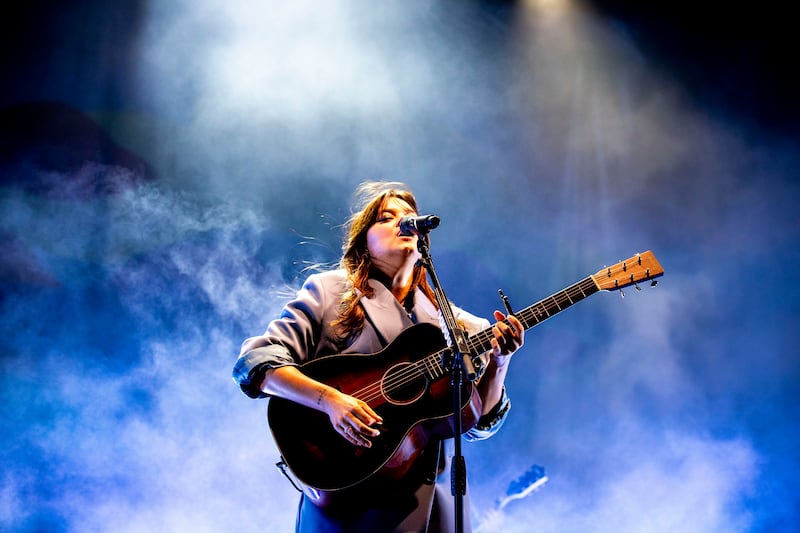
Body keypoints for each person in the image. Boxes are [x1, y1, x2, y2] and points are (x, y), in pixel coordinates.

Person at [232, 181, 524, 532]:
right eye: (387, 218)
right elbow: (257, 362)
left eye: (410, 216)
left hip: (432, 500)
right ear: (363, 243)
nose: (404, 222)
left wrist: (500, 362)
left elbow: (476, 421)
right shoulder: (329, 291)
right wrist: (330, 400)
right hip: (349, 494)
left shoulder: (453, 324)